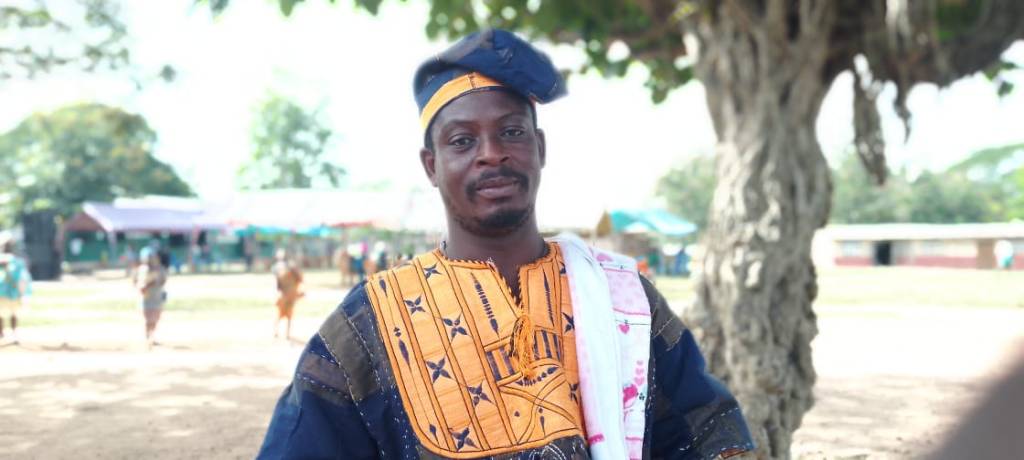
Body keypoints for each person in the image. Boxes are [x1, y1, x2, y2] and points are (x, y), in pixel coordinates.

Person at [258, 29, 753, 459]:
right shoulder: (368, 324)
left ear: (540, 148)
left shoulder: (622, 297)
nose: (492, 154)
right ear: (431, 166)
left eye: (512, 132)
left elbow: (708, 432)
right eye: (462, 141)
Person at [133, 247, 167, 348]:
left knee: (155, 319)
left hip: (157, 297)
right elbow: (135, 281)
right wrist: (142, 286)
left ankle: (152, 336)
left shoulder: (160, 269)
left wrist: (155, 283)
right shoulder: (141, 269)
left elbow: (163, 280)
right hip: (146, 297)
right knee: (148, 319)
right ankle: (148, 338)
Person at [0, 239, 31, 344]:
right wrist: (23, 292)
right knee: (13, 313)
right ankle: (12, 333)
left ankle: (3, 333)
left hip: (5, 290)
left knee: (5, 313)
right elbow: (23, 278)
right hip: (11, 291)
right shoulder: (17, 261)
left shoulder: (14, 261)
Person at [271, 249, 304, 340]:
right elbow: (300, 279)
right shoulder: (280, 268)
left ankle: (284, 333)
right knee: (282, 314)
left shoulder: (286, 268)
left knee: (285, 314)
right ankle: (280, 332)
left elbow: (299, 279)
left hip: (288, 295)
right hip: (286, 295)